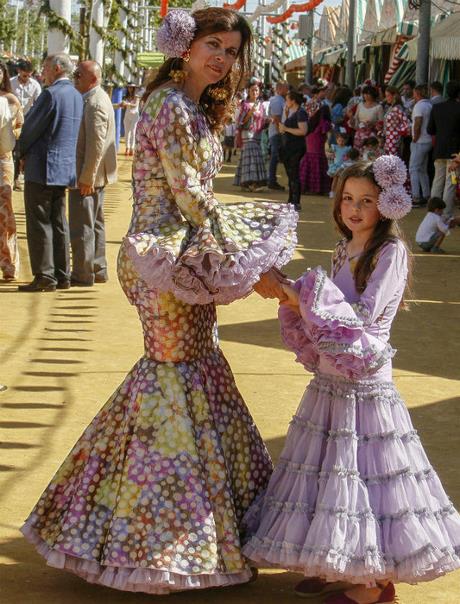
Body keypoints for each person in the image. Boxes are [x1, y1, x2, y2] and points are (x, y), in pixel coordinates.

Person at [21, 8, 298, 595]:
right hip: (162, 260)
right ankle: (152, 540)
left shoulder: (193, 107)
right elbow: (191, 196)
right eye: (212, 44)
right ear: (184, 47)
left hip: (184, 260)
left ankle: (189, 526)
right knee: (173, 379)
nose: (222, 57)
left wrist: (238, 257)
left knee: (192, 372)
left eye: (231, 49)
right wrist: (252, 257)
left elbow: (196, 200)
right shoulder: (171, 104)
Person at [242, 155, 460, 604]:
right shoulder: (344, 248)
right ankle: (334, 562)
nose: (354, 209)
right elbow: (325, 303)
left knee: (364, 476)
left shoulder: (391, 252)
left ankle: (373, 582)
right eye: (347, 199)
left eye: (367, 201)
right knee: (329, 470)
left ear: (388, 206)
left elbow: (361, 317)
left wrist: (300, 295)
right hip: (330, 376)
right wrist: (290, 289)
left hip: (365, 380)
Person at [17, 53, 83, 292]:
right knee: (58, 222)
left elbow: (31, 128)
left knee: (39, 223)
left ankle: (45, 275)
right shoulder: (76, 95)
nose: (42, 73)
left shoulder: (50, 94)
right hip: (64, 168)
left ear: (56, 69)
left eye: (45, 68)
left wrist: (19, 152)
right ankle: (62, 274)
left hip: (43, 166)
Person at [69, 60, 117, 286]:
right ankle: (98, 267)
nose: (75, 77)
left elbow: (96, 145)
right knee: (95, 223)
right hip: (96, 175)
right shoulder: (97, 98)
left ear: (93, 79)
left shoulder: (94, 103)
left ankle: (82, 272)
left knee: (82, 226)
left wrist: (87, 177)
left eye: (79, 75)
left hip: (89, 177)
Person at [0, 62, 23, 281]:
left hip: (3, 160)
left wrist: (8, 133)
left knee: (5, 213)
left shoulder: (10, 99)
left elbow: (20, 126)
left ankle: (10, 263)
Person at [427, 80, 460, 217]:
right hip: (455, 153)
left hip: (439, 150)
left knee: (437, 181)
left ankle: (432, 212)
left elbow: (430, 129)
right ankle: (446, 214)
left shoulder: (437, 108)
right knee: (450, 183)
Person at [10, 59, 41, 191]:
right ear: (19, 71)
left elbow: (39, 103)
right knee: (12, 149)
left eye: (29, 75)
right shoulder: (10, 83)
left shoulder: (35, 85)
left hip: (28, 121)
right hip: (11, 121)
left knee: (23, 150)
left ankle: (19, 177)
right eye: (24, 75)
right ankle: (12, 177)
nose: (27, 78)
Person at [233, 82, 267, 191]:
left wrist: (267, 120)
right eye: (252, 90)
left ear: (259, 92)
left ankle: (249, 183)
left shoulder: (261, 105)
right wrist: (250, 112)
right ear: (248, 91)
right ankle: (251, 183)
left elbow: (262, 120)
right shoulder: (245, 104)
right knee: (250, 156)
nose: (254, 92)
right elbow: (241, 121)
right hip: (247, 133)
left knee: (254, 156)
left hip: (257, 133)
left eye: (256, 90)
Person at [279, 90, 307, 210]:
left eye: (287, 99)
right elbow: (283, 129)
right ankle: (291, 200)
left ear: (293, 100)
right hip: (288, 147)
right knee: (290, 174)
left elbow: (303, 131)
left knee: (294, 174)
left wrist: (286, 128)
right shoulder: (292, 112)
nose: (286, 102)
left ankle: (296, 201)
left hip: (296, 147)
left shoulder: (301, 113)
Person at [299, 104, 332, 196]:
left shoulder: (313, 120)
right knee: (318, 165)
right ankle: (318, 189)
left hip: (309, 144)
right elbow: (326, 131)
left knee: (307, 164)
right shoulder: (325, 122)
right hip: (318, 145)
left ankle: (304, 187)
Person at [409, 84, 432, 208]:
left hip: (420, 141)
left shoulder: (419, 106)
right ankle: (427, 195)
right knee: (422, 169)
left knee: (413, 169)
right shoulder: (429, 105)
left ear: (417, 94)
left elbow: (418, 123)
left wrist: (415, 138)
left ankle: (416, 197)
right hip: (427, 140)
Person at [268, 80, 288, 190]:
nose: (288, 90)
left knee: (277, 157)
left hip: (278, 132)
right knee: (275, 157)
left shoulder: (280, 100)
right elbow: (276, 119)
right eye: (286, 88)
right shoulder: (277, 100)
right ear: (280, 88)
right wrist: (280, 133)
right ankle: (271, 180)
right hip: (276, 133)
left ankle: (272, 180)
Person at [383, 86, 411, 156]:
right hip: (389, 137)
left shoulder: (397, 108)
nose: (386, 98)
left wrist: (397, 132)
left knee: (393, 160)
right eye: (386, 96)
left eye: (388, 96)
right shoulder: (392, 107)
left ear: (394, 96)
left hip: (394, 139)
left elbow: (406, 123)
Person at [326, 131, 352, 197]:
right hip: (336, 166)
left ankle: (340, 192)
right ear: (337, 140)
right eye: (339, 140)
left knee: (342, 180)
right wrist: (330, 155)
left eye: (342, 141)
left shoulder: (347, 148)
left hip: (344, 166)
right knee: (335, 179)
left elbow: (349, 157)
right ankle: (332, 192)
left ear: (346, 141)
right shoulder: (334, 147)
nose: (341, 142)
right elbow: (329, 153)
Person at [122, 84, 140, 156]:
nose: (130, 89)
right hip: (127, 115)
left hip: (135, 116)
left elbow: (135, 105)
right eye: (129, 87)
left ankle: (132, 148)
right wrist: (123, 105)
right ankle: (127, 148)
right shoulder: (126, 96)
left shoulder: (136, 96)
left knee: (133, 132)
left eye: (131, 88)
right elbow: (124, 106)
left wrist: (127, 103)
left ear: (134, 88)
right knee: (127, 132)